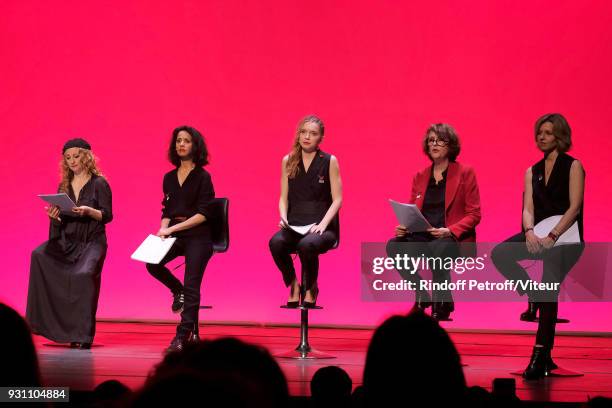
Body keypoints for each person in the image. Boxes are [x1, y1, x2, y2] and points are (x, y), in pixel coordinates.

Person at [491, 113, 585, 379]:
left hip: (565, 238)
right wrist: (530, 232)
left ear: (560, 136)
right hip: (538, 233)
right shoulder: (531, 170)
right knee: (500, 253)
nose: (541, 137)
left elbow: (574, 207)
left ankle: (540, 354)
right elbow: (528, 208)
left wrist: (552, 237)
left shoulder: (573, 166)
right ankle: (530, 294)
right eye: (539, 133)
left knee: (549, 283)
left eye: (547, 133)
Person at [386, 124, 481, 320]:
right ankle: (422, 293)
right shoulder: (420, 176)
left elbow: (474, 214)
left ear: (451, 145)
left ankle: (442, 300)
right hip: (423, 235)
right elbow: (414, 210)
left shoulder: (465, 172)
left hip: (451, 238)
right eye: (431, 140)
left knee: (439, 248)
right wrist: (405, 226)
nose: (434, 144)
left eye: (440, 140)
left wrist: (450, 230)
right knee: (393, 246)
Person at [26, 138, 112, 349]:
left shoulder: (99, 183)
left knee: (83, 276)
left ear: (86, 156)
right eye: (68, 157)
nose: (72, 161)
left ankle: (82, 335)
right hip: (68, 240)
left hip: (92, 241)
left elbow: (108, 215)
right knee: (39, 255)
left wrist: (89, 211)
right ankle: (51, 327)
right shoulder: (63, 186)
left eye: (76, 156)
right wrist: (54, 217)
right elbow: (59, 223)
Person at [146, 126, 215, 352]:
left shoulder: (203, 177)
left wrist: (173, 228)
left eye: (186, 141)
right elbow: (166, 210)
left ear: (195, 146)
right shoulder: (168, 177)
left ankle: (181, 336)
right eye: (178, 141)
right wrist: (162, 229)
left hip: (198, 235)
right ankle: (178, 291)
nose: (181, 144)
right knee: (151, 262)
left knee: (192, 284)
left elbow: (203, 215)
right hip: (175, 233)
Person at [269, 115, 342, 308]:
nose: (307, 136)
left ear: (321, 138)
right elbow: (283, 197)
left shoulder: (329, 161)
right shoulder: (288, 160)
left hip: (321, 226)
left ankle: (311, 287)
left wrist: (323, 225)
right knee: (275, 243)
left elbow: (338, 200)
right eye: (303, 132)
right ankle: (293, 283)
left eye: (313, 133)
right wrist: (283, 217)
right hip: (295, 224)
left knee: (307, 245)